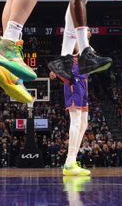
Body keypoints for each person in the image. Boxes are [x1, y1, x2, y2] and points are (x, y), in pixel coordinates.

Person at [49, 44, 90, 176]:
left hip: (84, 86)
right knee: (76, 122)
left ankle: (72, 159)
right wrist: (55, 71)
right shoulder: (70, 50)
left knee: (84, 124)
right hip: (74, 84)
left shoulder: (87, 51)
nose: (87, 32)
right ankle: (69, 161)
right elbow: (58, 64)